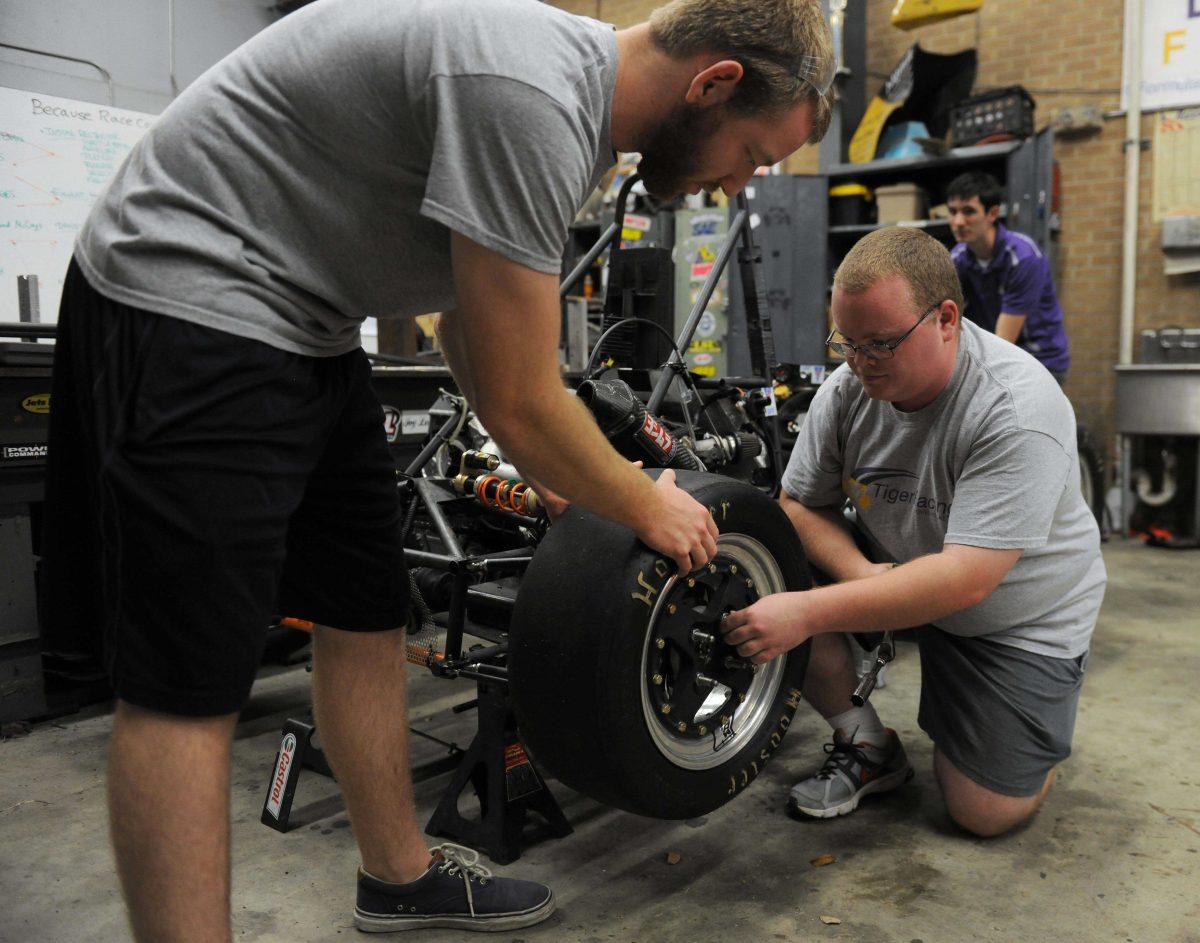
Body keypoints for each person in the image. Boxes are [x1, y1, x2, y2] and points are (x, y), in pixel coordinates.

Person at [40, 0, 834, 939]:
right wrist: (638, 505)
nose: (736, 183)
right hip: (189, 293)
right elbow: (522, 393)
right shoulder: (532, 93)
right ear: (714, 83)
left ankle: (397, 876)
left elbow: (468, 314)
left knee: (366, 605)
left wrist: (554, 479)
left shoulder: (574, 119)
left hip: (307, 321)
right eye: (750, 156)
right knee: (187, 680)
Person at [720, 227, 1105, 837]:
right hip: (901, 562)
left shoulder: (1018, 409)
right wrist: (860, 577)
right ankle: (868, 744)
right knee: (771, 556)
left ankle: (1035, 728)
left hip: (1015, 612)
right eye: (845, 342)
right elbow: (797, 504)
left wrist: (812, 612)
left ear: (947, 319)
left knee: (982, 814)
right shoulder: (848, 388)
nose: (857, 363)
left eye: (879, 345)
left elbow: (964, 580)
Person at [947, 171, 1071, 384]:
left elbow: (1003, 341)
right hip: (997, 355)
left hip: (1040, 362)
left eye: (969, 212)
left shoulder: (1024, 257)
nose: (958, 221)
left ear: (992, 213)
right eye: (952, 211)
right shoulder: (957, 259)